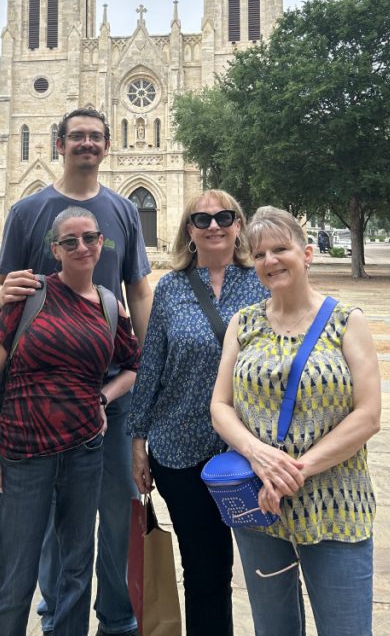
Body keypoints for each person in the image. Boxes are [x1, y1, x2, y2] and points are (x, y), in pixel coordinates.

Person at [0, 107, 152, 636]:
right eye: (76, 136)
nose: (86, 144)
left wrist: (145, 367)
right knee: (58, 517)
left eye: (94, 137)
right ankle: (58, 609)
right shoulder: (29, 210)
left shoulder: (123, 211)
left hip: (113, 392)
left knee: (116, 506)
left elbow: (139, 290)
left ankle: (117, 614)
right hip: (44, 395)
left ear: (107, 145)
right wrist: (0, 296)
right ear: (60, 144)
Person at [210, 207, 381, 636]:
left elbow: (368, 415)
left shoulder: (346, 321)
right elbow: (221, 405)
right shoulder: (243, 323)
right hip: (261, 506)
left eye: (281, 249)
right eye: (260, 252)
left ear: (307, 254)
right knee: (274, 629)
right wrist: (258, 456)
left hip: (335, 504)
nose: (270, 260)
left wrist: (294, 471)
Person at [128, 190, 266, 636]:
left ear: (238, 225)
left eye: (224, 217)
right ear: (188, 230)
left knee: (270, 568)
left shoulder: (263, 282)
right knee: (205, 570)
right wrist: (138, 441)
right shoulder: (171, 288)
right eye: (201, 219)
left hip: (249, 452)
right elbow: (152, 365)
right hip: (179, 450)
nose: (213, 226)